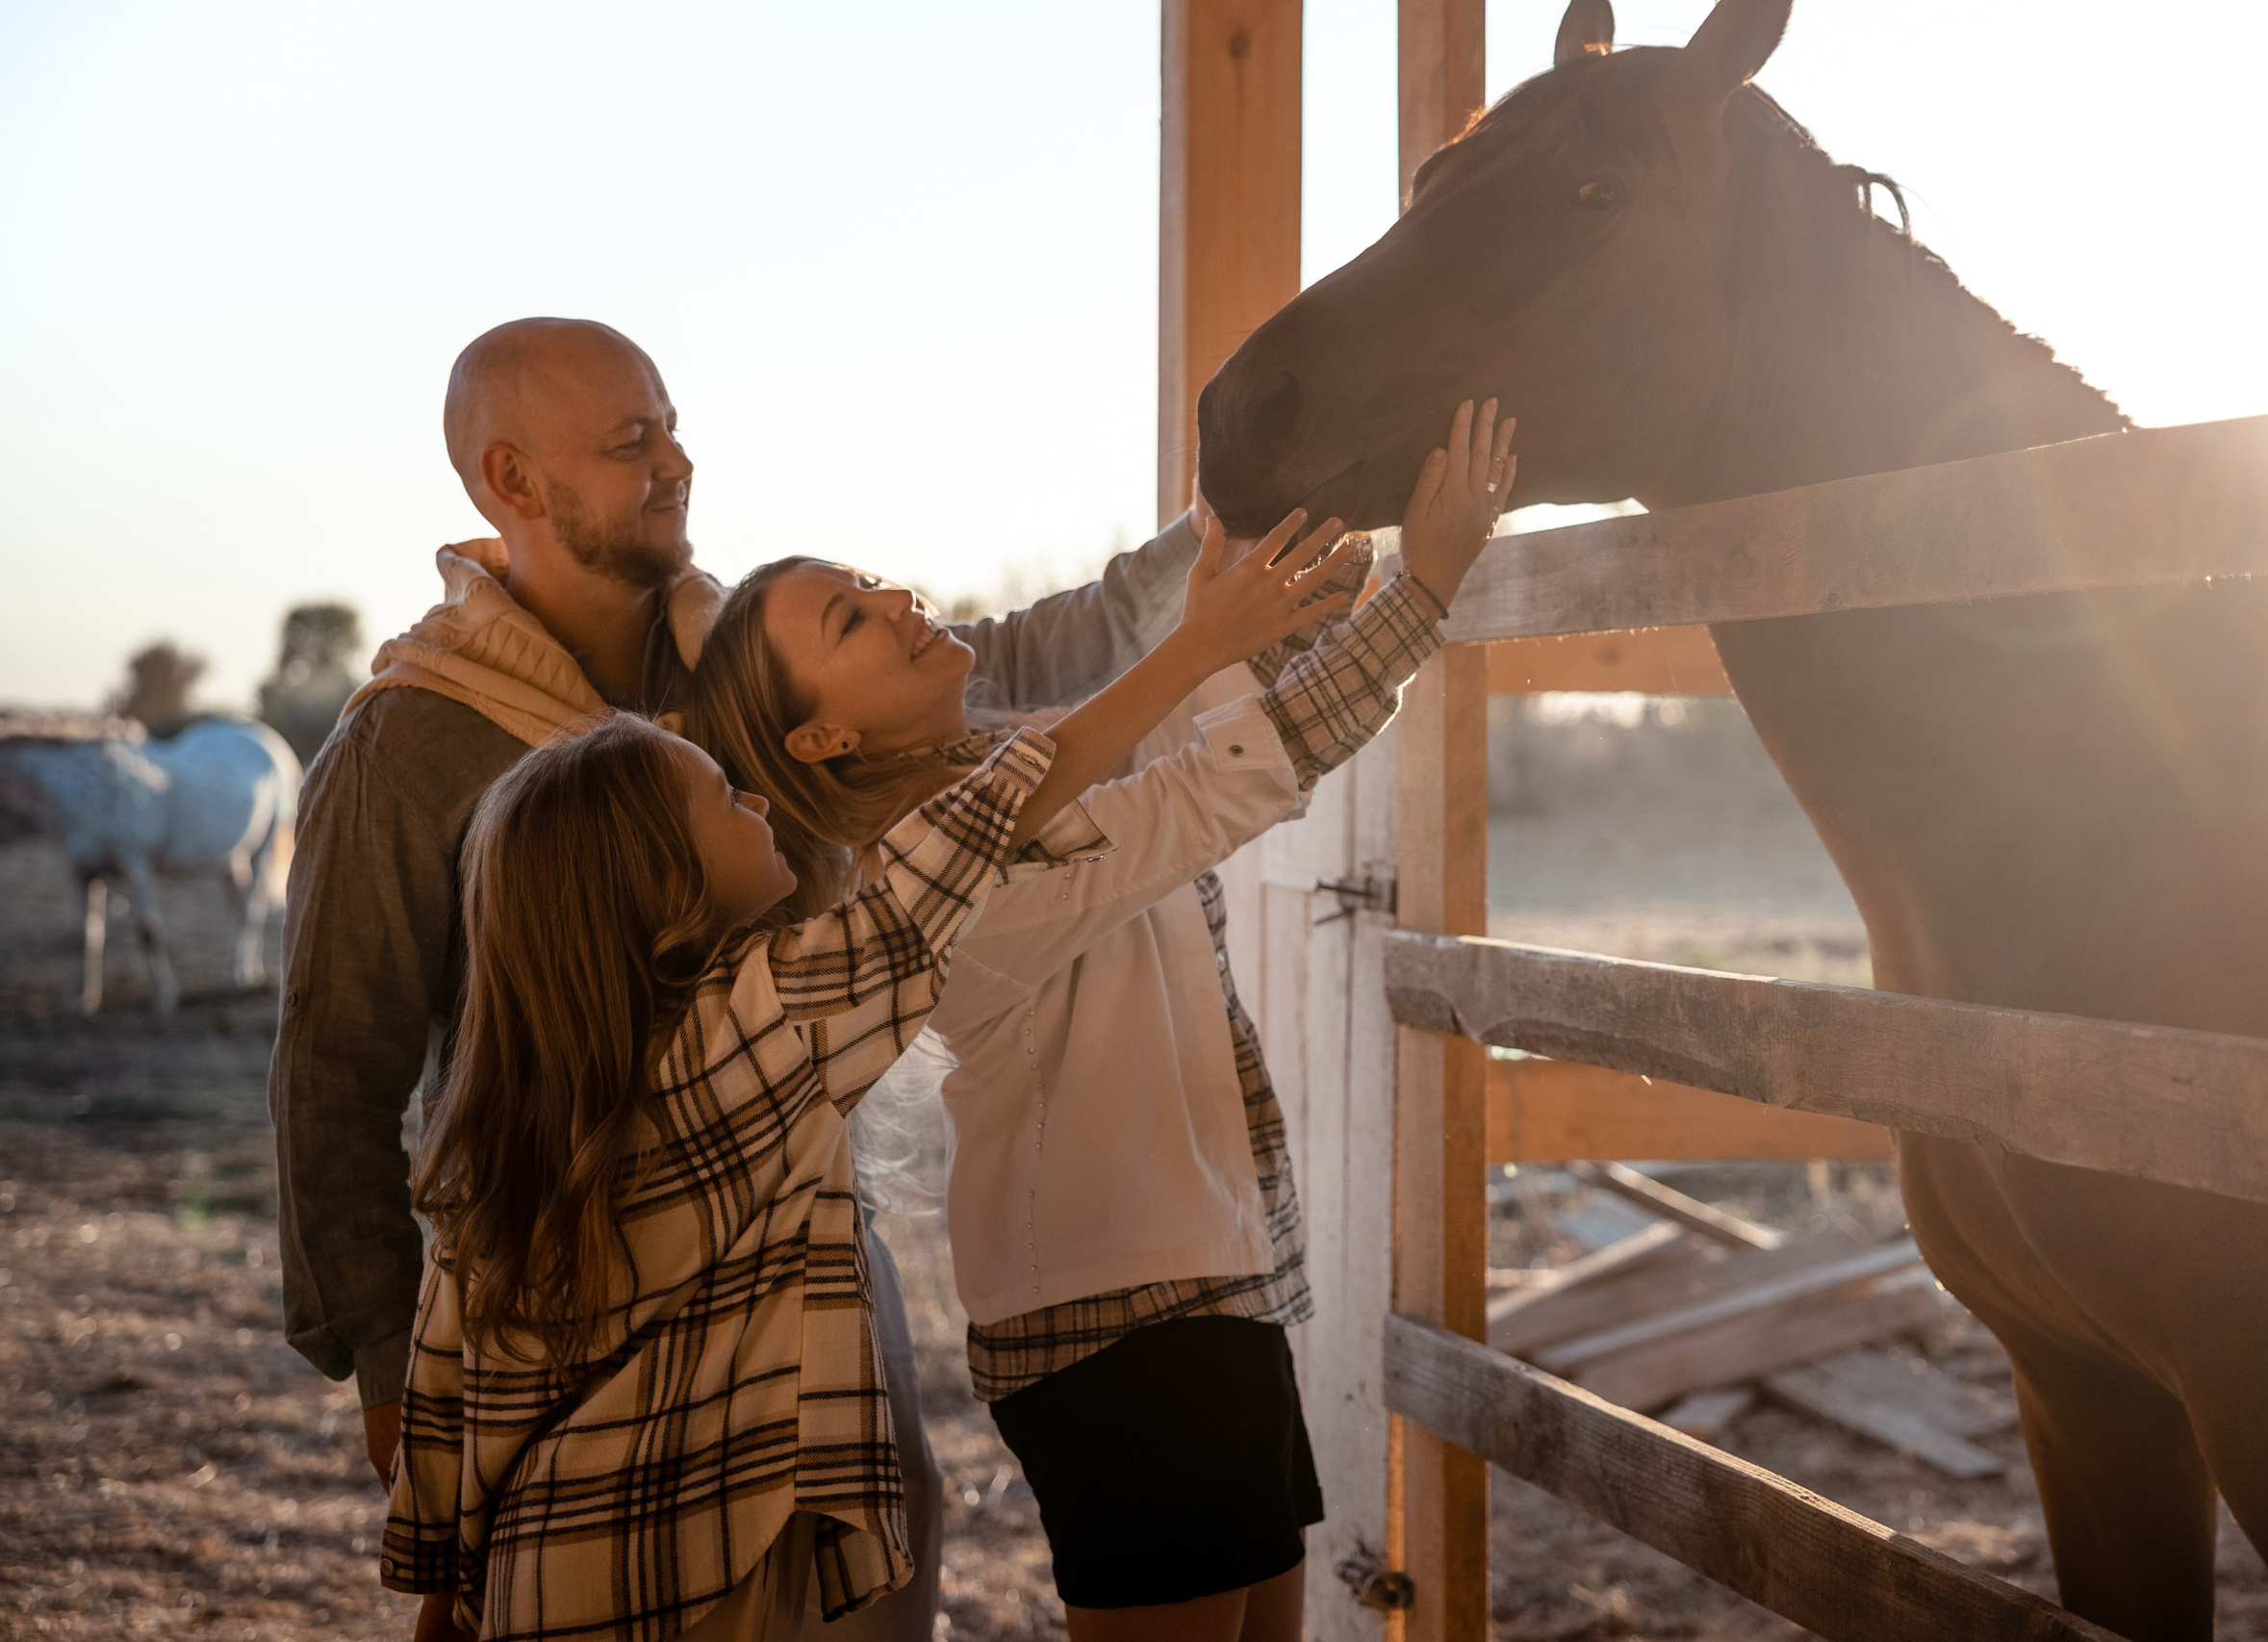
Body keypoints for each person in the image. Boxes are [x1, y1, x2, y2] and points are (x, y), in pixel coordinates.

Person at [268, 316, 1208, 1640]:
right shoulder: (406, 746)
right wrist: (385, 1364)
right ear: (512, 481)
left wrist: (1230, 518)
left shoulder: (745, 663)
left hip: (804, 1227)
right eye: (630, 441)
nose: (677, 461)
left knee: (877, 1556)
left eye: (670, 424)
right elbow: (334, 1070)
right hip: (564, 1275)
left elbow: (1023, 656)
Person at [382, 522, 1359, 1642]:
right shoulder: (765, 1020)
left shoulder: (506, 1135)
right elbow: (968, 837)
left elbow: (452, 1385)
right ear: (666, 892)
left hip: (548, 1582)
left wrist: (445, 1582)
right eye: (725, 801)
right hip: (715, 1566)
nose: (756, 803)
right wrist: (1195, 647)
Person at [687, 398, 1517, 1642]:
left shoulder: (1021, 757)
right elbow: (1229, 777)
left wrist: (1261, 596)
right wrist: (1427, 583)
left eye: (873, 580)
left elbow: (1203, 726)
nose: (899, 600)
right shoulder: (921, 878)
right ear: (823, 734)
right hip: (1122, 1335)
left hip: (1208, 1291)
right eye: (850, 618)